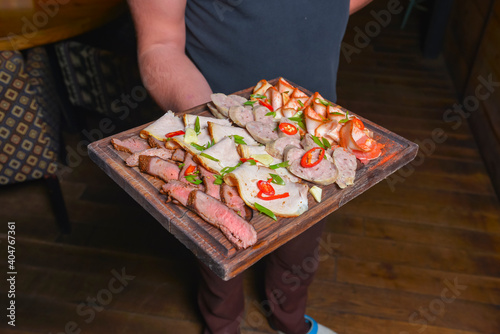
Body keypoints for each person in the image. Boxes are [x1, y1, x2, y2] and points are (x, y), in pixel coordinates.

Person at [127, 1, 372, 333]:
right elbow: (160, 45)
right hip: (218, 137)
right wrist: (217, 138)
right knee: (220, 262)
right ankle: (222, 328)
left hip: (316, 143)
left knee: (300, 252)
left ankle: (290, 323)